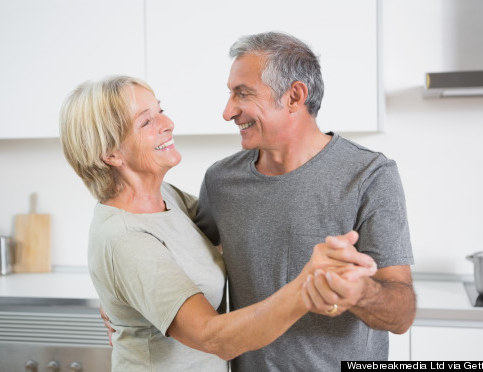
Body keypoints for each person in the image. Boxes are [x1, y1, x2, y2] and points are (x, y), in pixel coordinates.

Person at [59, 75, 377, 371]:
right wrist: (307, 286)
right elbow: (215, 338)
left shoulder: (164, 198)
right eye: (146, 121)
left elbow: (235, 231)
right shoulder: (126, 238)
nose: (168, 124)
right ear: (111, 154)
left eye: (161, 111)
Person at [195, 31, 416, 369]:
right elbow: (187, 263)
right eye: (230, 94)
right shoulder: (221, 181)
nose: (228, 112)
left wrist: (358, 292)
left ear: (294, 96)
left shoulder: (370, 175)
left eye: (243, 94)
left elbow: (401, 314)